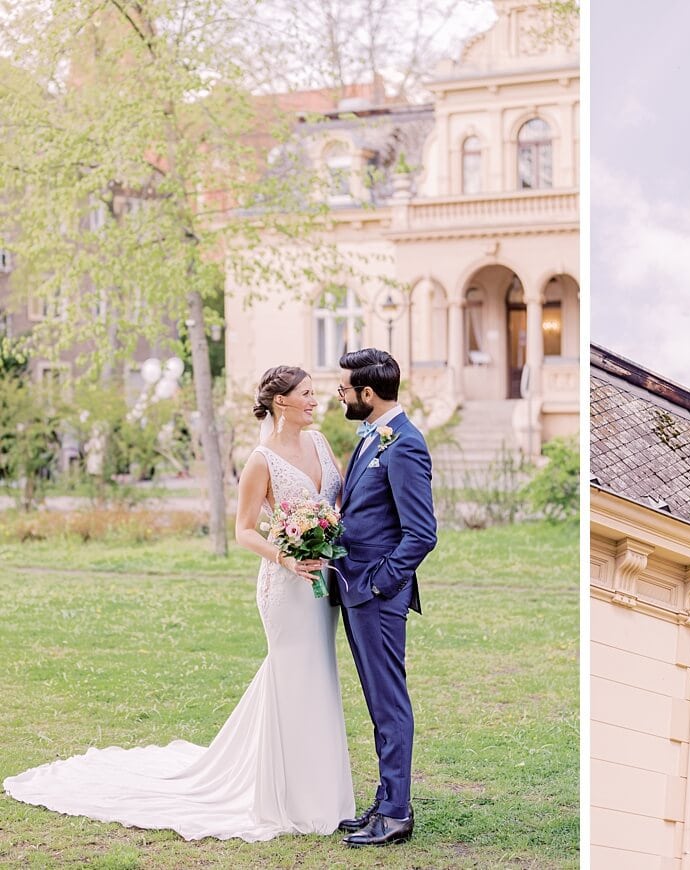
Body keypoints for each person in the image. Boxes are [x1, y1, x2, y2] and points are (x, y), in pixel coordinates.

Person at [3, 365, 355, 841]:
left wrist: (326, 531)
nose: (316, 401)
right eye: (307, 394)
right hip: (286, 586)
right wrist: (287, 556)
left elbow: (336, 501)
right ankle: (289, 799)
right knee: (294, 677)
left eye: (315, 394)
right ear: (281, 402)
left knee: (319, 677)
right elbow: (244, 529)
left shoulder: (319, 444)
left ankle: (323, 791)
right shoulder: (260, 460)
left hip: (322, 585)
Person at [331, 348, 437, 848]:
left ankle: (397, 813)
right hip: (355, 589)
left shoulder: (405, 445)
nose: (340, 395)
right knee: (378, 701)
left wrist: (377, 583)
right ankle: (386, 798)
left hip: (376, 594)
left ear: (367, 394)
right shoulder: (374, 436)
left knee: (389, 701)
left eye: (344, 389)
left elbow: (421, 533)